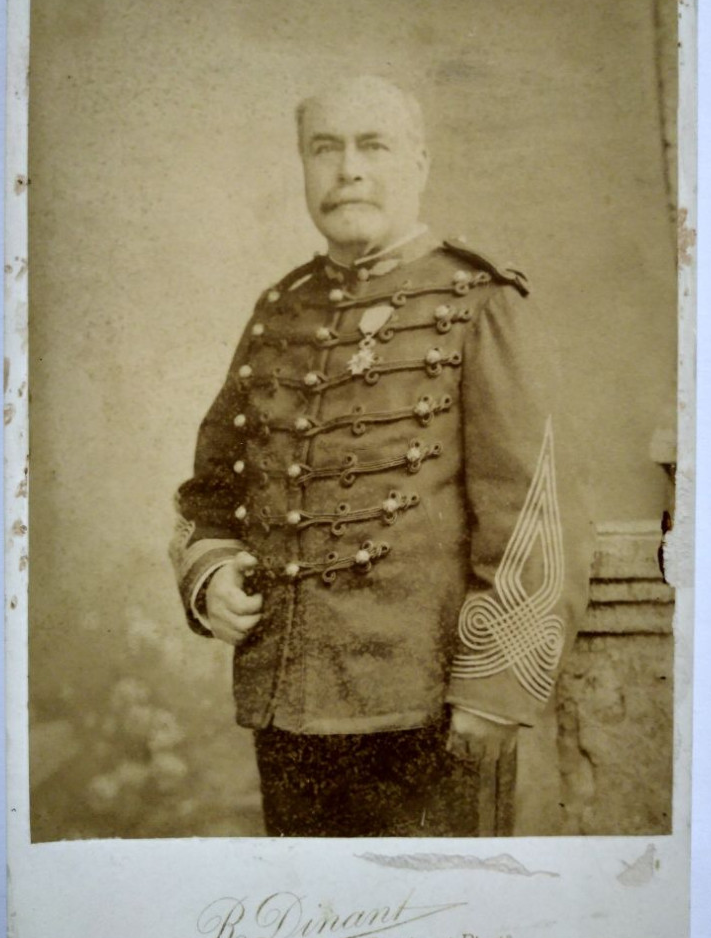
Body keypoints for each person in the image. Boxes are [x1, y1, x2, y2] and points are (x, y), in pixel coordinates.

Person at [170, 75, 592, 837]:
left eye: (373, 146)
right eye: (323, 149)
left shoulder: (479, 301)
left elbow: (533, 510)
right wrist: (209, 572)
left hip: (432, 709)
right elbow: (211, 493)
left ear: (419, 163)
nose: (348, 170)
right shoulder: (279, 310)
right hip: (287, 704)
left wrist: (494, 687)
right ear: (304, 168)